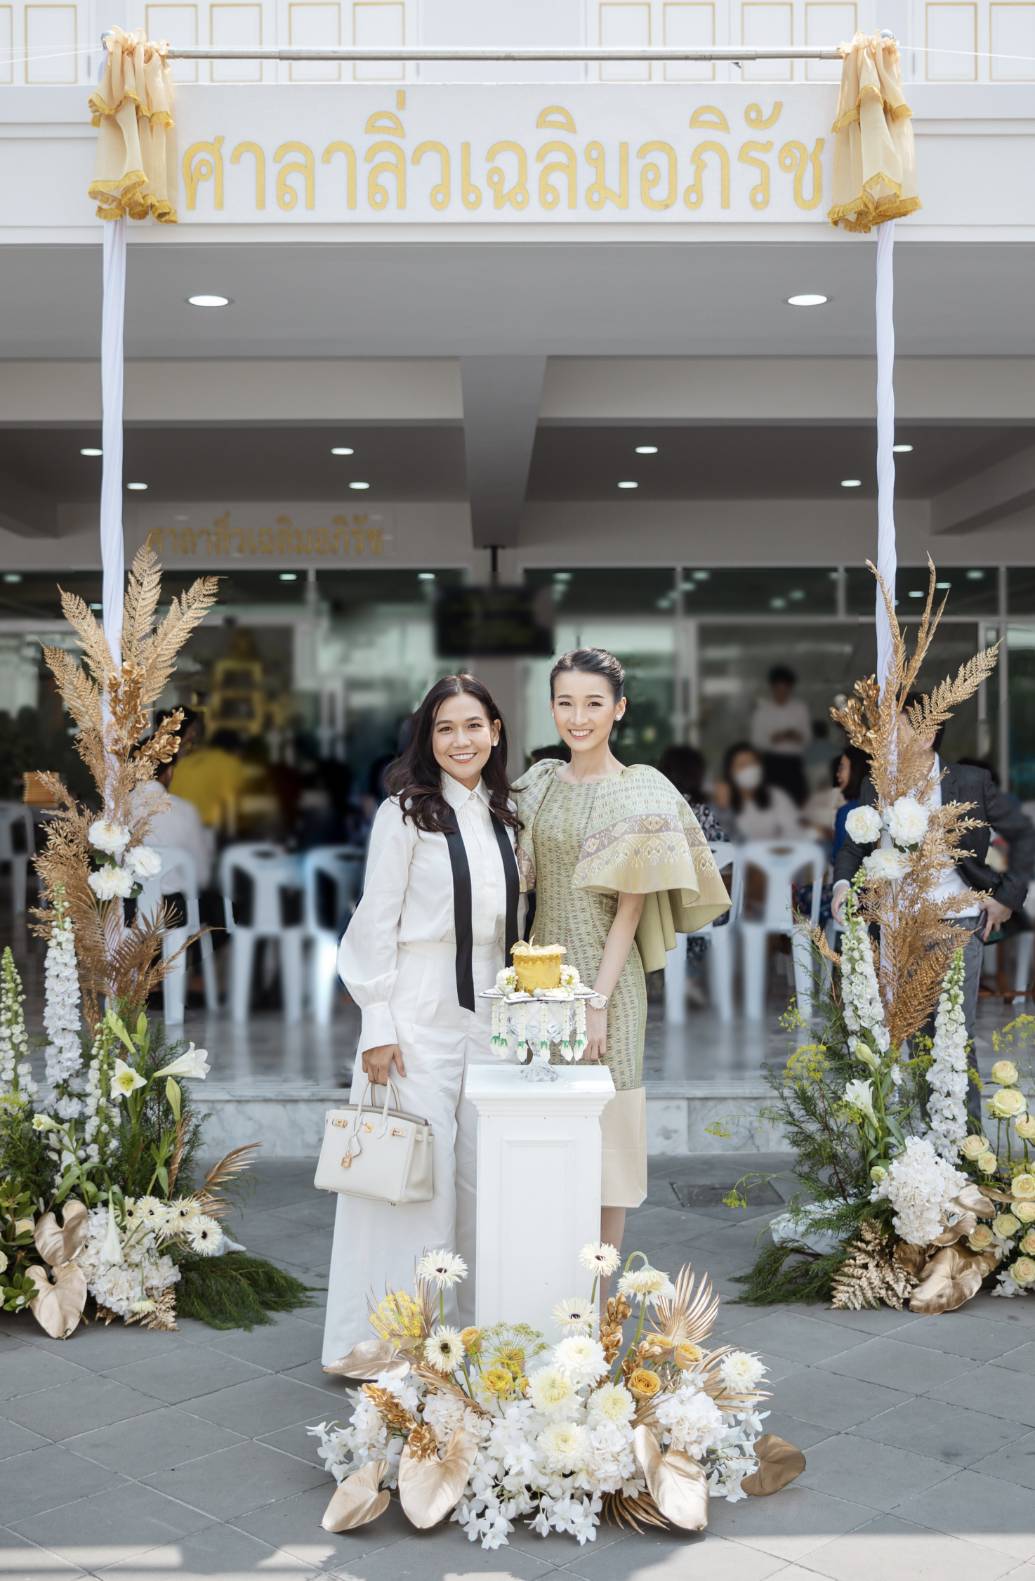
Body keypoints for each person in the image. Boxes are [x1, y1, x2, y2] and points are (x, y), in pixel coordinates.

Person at [322, 674, 521, 1365]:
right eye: (444, 728)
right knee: (413, 1178)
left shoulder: (506, 815)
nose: (460, 740)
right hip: (416, 1008)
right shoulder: (404, 814)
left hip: (491, 1012)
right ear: (426, 739)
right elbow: (374, 918)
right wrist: (376, 1021)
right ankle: (395, 1343)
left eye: (472, 725)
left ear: (495, 731)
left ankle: (474, 1334)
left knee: (482, 1175)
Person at [514, 650, 729, 1259]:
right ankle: (548, 1272)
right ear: (551, 707)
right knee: (543, 1127)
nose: (578, 717)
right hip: (538, 978)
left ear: (619, 709)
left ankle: (598, 1290)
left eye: (593, 703)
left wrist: (597, 1004)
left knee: (609, 1134)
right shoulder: (537, 783)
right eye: (565, 703)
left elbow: (629, 914)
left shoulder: (640, 789)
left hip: (607, 982)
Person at [832, 704, 1035, 1115]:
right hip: (896, 926)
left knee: (954, 1033)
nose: (887, 739)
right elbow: (854, 846)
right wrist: (842, 887)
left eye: (897, 730)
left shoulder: (971, 781)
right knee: (905, 1034)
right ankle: (923, 1138)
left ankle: (966, 1140)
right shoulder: (877, 783)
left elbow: (1024, 834)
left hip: (957, 922)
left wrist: (1006, 898)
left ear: (926, 736)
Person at [750, 665, 811, 807]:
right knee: (771, 804)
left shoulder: (800, 708)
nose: (782, 693)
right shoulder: (763, 710)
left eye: (785, 689)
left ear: (790, 689)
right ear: (772, 688)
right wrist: (774, 739)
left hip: (794, 764)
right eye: (778, 689)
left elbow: (808, 738)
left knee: (797, 803)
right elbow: (756, 741)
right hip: (771, 763)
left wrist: (796, 736)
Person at [713, 743, 801, 842]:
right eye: (742, 765)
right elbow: (720, 841)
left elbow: (794, 831)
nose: (749, 769)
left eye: (753, 763)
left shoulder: (776, 795)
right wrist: (723, 809)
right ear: (730, 772)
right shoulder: (721, 801)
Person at [170, 727, 251, 828]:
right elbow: (232, 803)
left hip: (173, 823)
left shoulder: (187, 761)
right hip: (203, 827)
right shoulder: (230, 763)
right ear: (236, 750)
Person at [831, 746, 870, 859]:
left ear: (855, 770)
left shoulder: (847, 812)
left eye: (841, 768)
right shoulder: (878, 804)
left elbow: (838, 858)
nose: (838, 774)